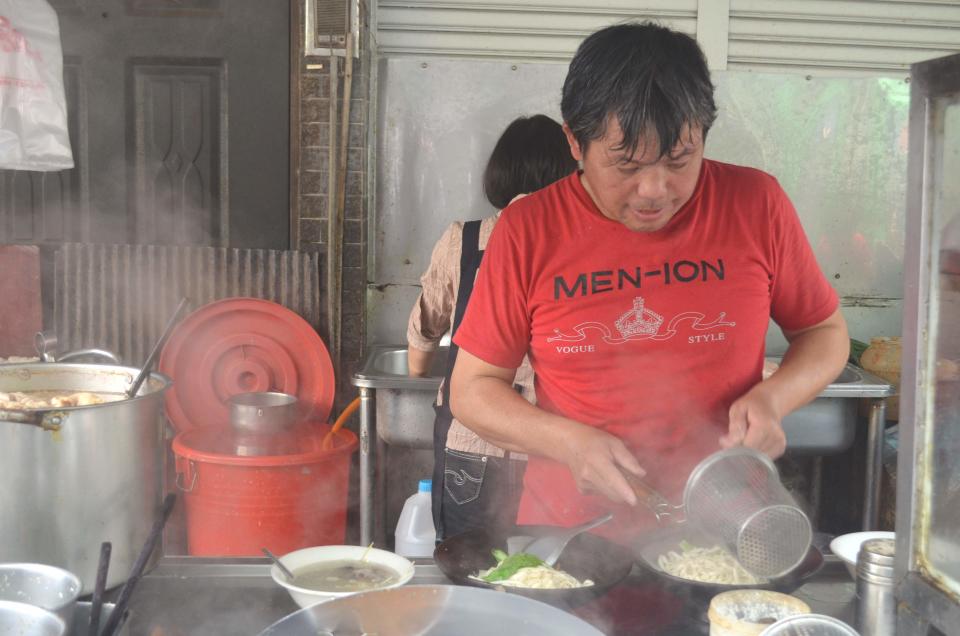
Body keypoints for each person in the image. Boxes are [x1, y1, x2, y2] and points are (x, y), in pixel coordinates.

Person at [448, 22, 850, 540]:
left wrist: (775, 399)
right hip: (577, 527)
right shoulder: (528, 230)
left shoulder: (757, 205)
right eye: (627, 165)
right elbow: (473, 390)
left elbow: (824, 331)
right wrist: (567, 441)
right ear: (574, 140)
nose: (655, 190)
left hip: (727, 515)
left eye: (680, 160)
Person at [406, 114, 577, 541]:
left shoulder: (464, 241)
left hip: (471, 440)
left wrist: (419, 377)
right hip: (551, 445)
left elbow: (426, 325)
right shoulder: (581, 249)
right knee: (541, 575)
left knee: (469, 572)